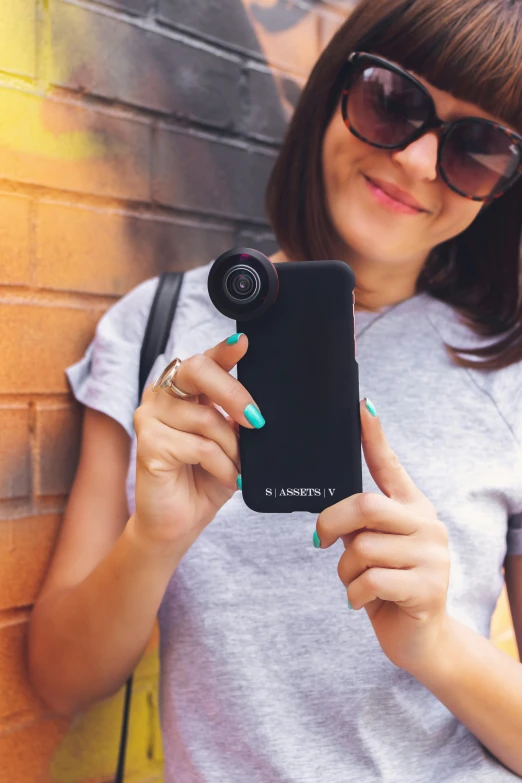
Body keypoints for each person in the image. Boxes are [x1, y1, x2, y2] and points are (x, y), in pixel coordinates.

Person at [28, 0, 522, 780]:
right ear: (333, 91)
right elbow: (59, 679)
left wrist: (435, 643)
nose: (421, 163)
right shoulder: (154, 331)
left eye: (480, 149)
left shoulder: (509, 376)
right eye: (392, 101)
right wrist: (153, 541)